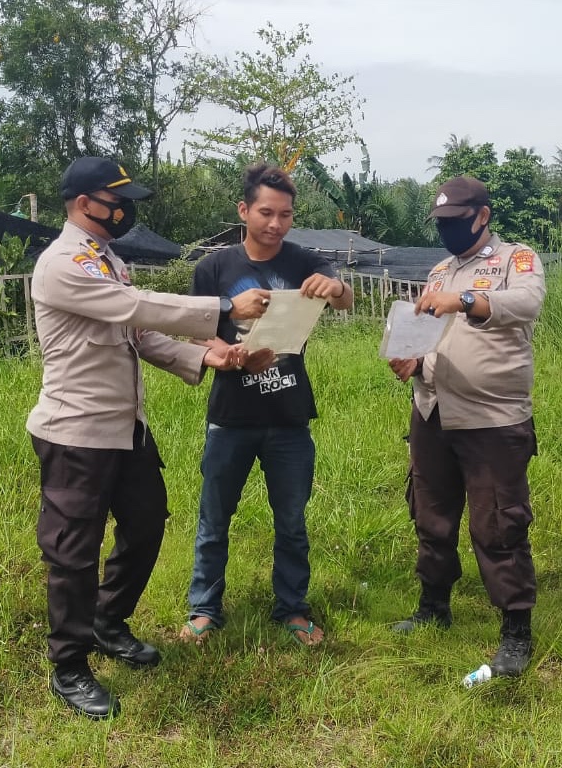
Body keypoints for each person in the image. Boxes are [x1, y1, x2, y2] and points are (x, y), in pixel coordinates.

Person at [27, 156, 270, 719]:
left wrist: (209, 356)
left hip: (125, 428)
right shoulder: (62, 263)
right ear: (85, 203)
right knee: (73, 552)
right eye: (116, 199)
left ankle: (107, 622)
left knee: (145, 524)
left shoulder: (106, 260)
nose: (124, 209)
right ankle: (69, 666)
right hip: (76, 431)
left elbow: (136, 335)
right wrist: (224, 307)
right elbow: (135, 308)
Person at [180, 162, 353, 647]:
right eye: (265, 213)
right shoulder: (214, 268)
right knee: (214, 520)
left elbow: (346, 300)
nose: (275, 224)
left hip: (289, 417)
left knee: (292, 522)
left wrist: (335, 287)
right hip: (231, 417)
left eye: (285, 215)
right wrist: (227, 357)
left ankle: (293, 609)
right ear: (244, 210)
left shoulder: (303, 260)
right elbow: (198, 337)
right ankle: (205, 608)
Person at [387, 175, 546, 678]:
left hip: (491, 418)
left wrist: (468, 300)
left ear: (482, 216)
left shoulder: (514, 261)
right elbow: (426, 333)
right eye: (441, 223)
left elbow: (528, 304)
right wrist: (410, 360)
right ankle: (433, 606)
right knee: (431, 515)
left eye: (456, 222)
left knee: (498, 523)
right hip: (433, 410)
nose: (447, 231)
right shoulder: (438, 271)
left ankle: (516, 630)